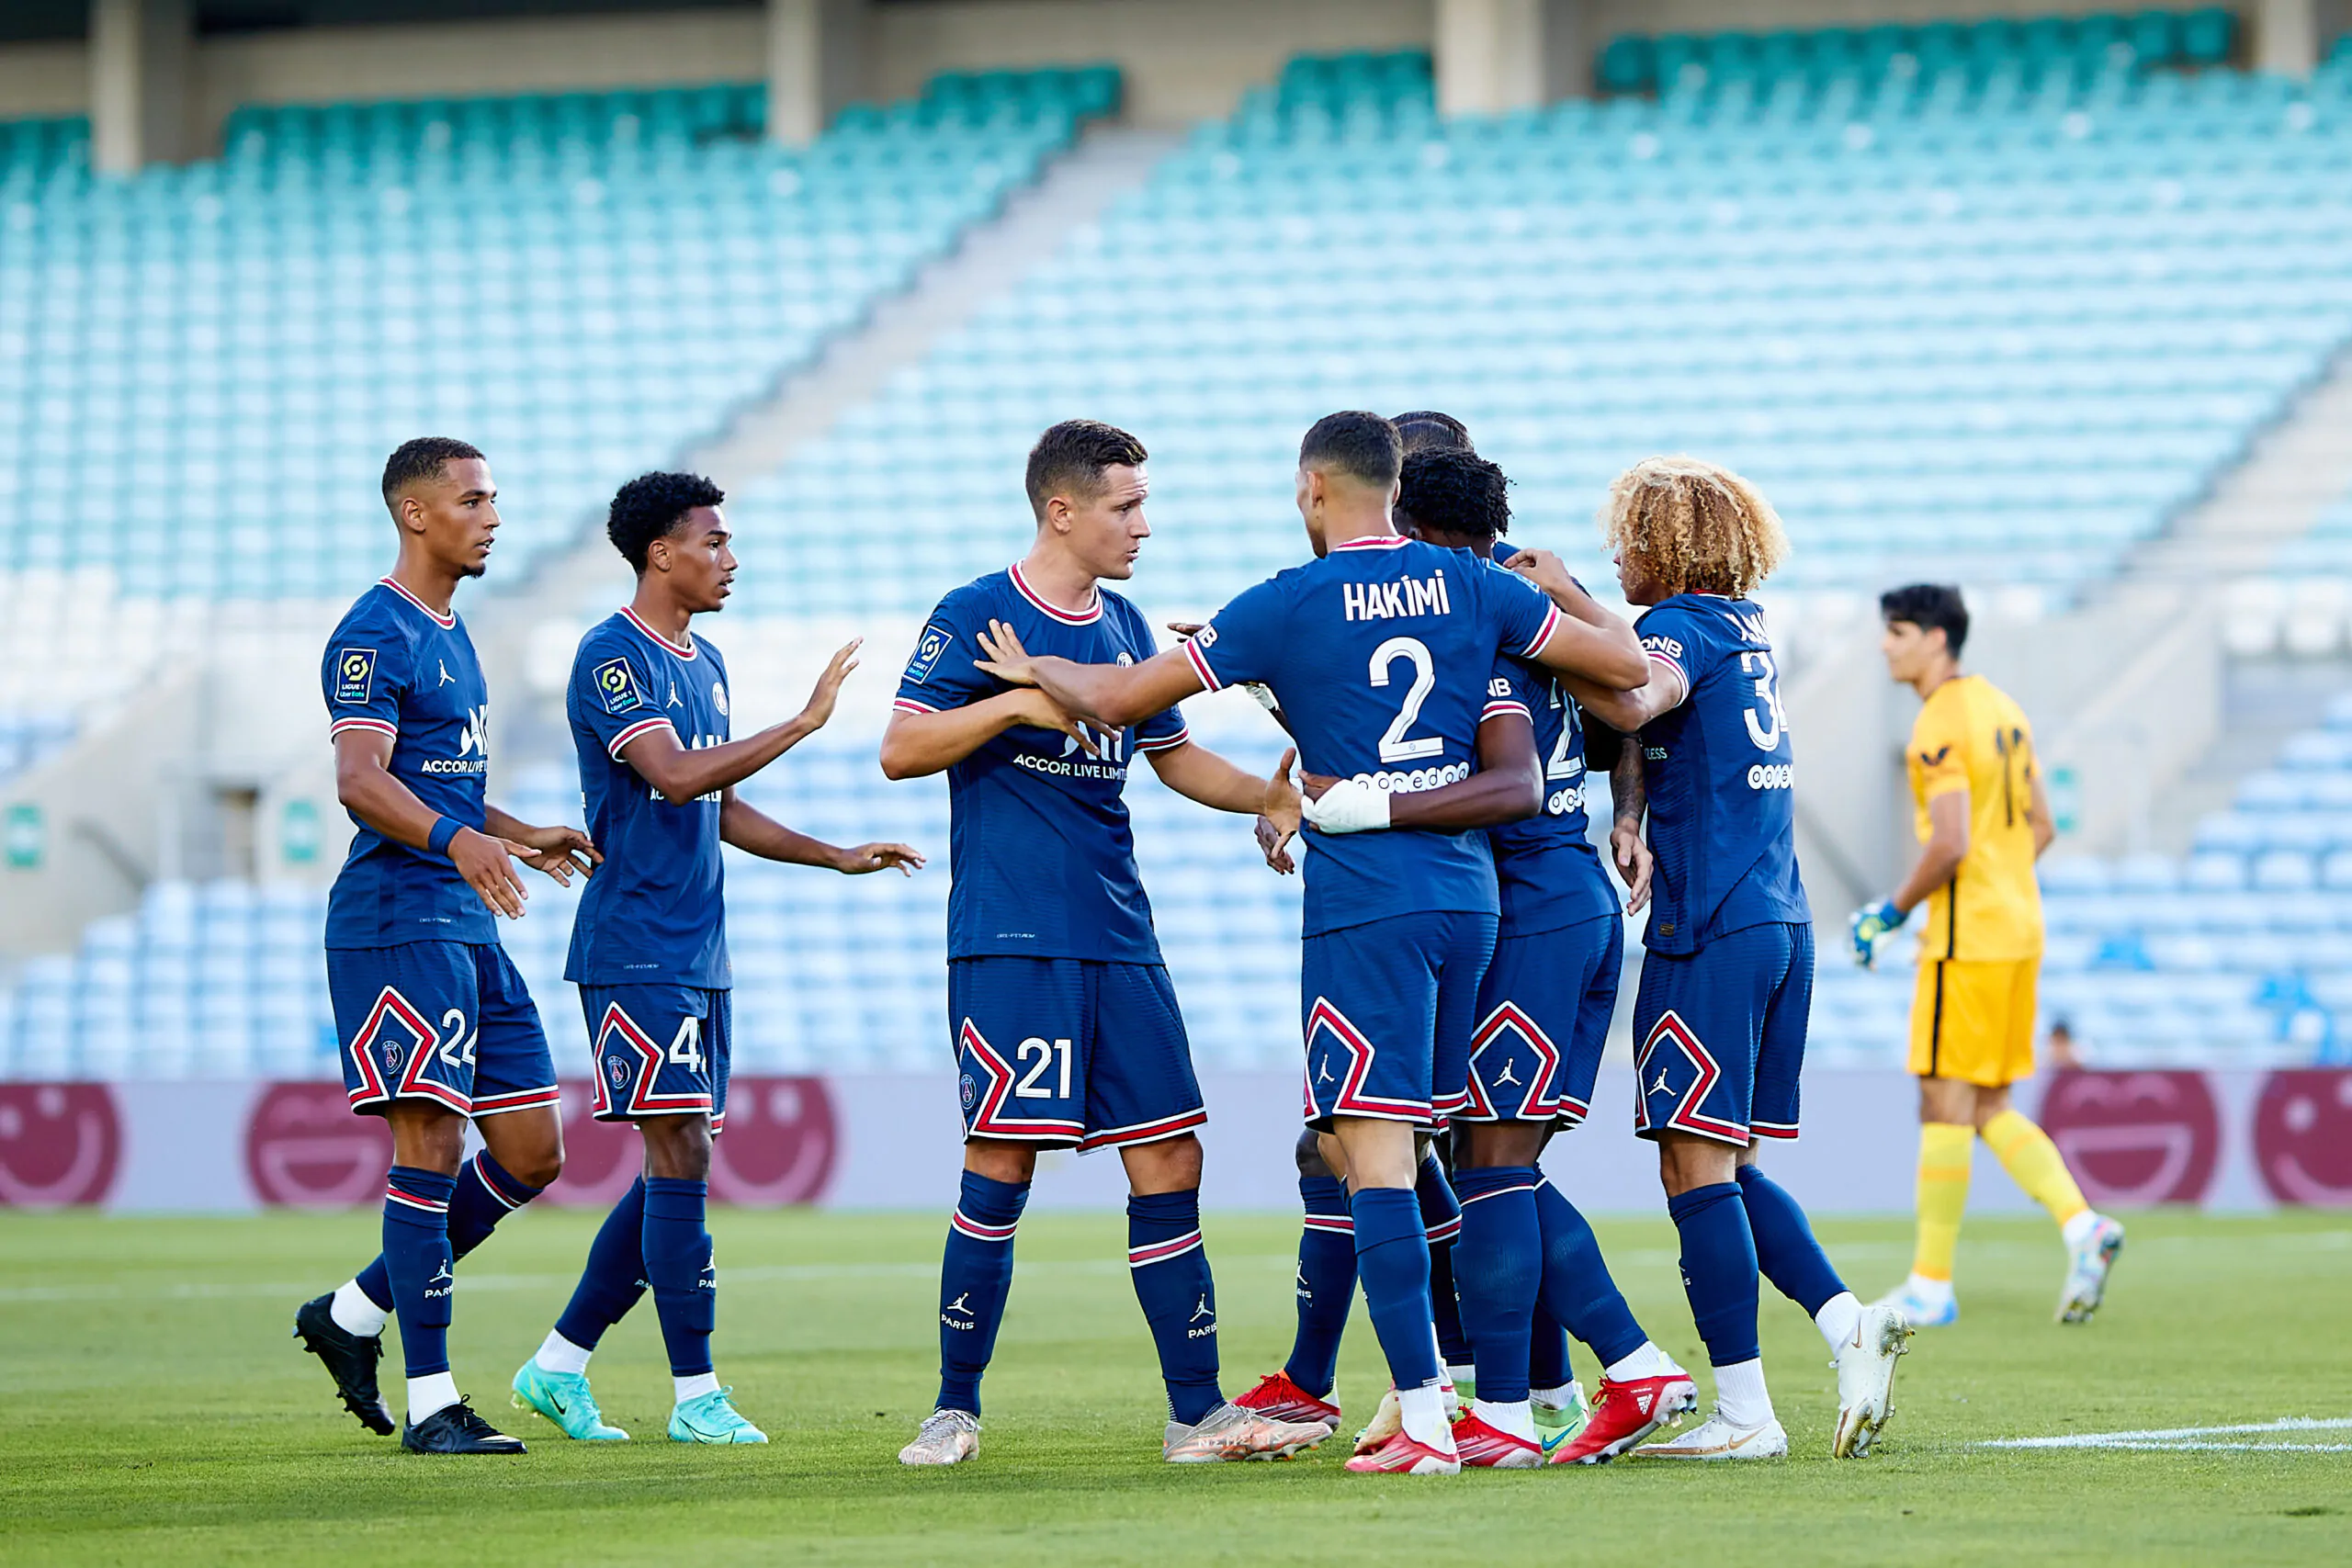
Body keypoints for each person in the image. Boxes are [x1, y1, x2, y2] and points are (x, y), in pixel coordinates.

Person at [973, 412, 1650, 1474]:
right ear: (1396, 488)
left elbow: (1114, 697)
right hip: (1469, 900)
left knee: (1369, 1158)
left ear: (1311, 490)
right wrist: (1565, 592)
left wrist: (1032, 666)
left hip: (1365, 905)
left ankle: (1427, 1416)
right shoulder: (1473, 587)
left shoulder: (1286, 602)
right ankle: (1501, 1394)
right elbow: (1624, 665)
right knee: (1443, 1153)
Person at [881, 421, 1327, 1468]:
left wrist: (1267, 799)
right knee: (1002, 1159)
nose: (1143, 526)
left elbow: (1175, 757)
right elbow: (902, 748)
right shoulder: (975, 612)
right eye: (1126, 506)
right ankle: (952, 1410)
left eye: (1143, 505)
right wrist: (1019, 702)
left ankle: (1195, 1414)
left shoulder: (1125, 625)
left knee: (1171, 1153)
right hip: (1011, 935)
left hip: (1121, 934)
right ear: (1062, 510)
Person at [507, 472, 922, 1446]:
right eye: (715, 541)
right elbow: (675, 774)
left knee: (675, 1163)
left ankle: (558, 1365)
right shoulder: (613, 655)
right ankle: (696, 1395)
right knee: (680, 1155)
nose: (731, 559)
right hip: (635, 945)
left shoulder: (709, 662)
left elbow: (719, 807)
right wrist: (804, 723)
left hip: (699, 950)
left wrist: (833, 854)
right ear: (662, 553)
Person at [1558, 455, 1908, 1461]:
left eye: (1627, 538)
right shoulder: (1743, 627)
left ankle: (1746, 1413)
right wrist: (1630, 812)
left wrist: (1558, 606)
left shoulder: (1677, 627)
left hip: (1709, 924)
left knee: (1690, 1164)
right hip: (1776, 921)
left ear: (1667, 546)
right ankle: (1847, 1322)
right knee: (1725, 1161)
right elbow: (1656, 735)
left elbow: (1635, 700)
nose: (1614, 556)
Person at [1372, 446, 1699, 1467]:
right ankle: (1530, 1402)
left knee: (1493, 1166)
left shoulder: (1459, 618)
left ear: (1414, 528)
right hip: (1573, 899)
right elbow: (1631, 690)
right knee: (1495, 1164)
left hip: (1531, 910)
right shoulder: (1536, 607)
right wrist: (1627, 814)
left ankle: (1608, 1374)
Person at [293, 437, 600, 1455]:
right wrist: (462, 840)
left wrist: (509, 830)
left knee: (532, 1151)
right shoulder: (372, 631)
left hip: (464, 918)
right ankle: (433, 1404)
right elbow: (359, 779)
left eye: (494, 499)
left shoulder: (457, 634)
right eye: (472, 500)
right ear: (415, 513)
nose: (493, 517)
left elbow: (440, 786)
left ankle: (349, 1313)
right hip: (397, 920)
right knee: (428, 1147)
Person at [1854, 583, 2122, 1327]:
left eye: (1897, 631)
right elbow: (2043, 824)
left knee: (1941, 1098)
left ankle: (1930, 1284)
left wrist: (1891, 910)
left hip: (1967, 937)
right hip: (2019, 927)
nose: (1885, 645)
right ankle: (2083, 1225)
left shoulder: (1940, 719)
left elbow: (1949, 842)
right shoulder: (2004, 708)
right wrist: (1999, 882)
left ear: (1936, 637)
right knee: (1988, 1103)